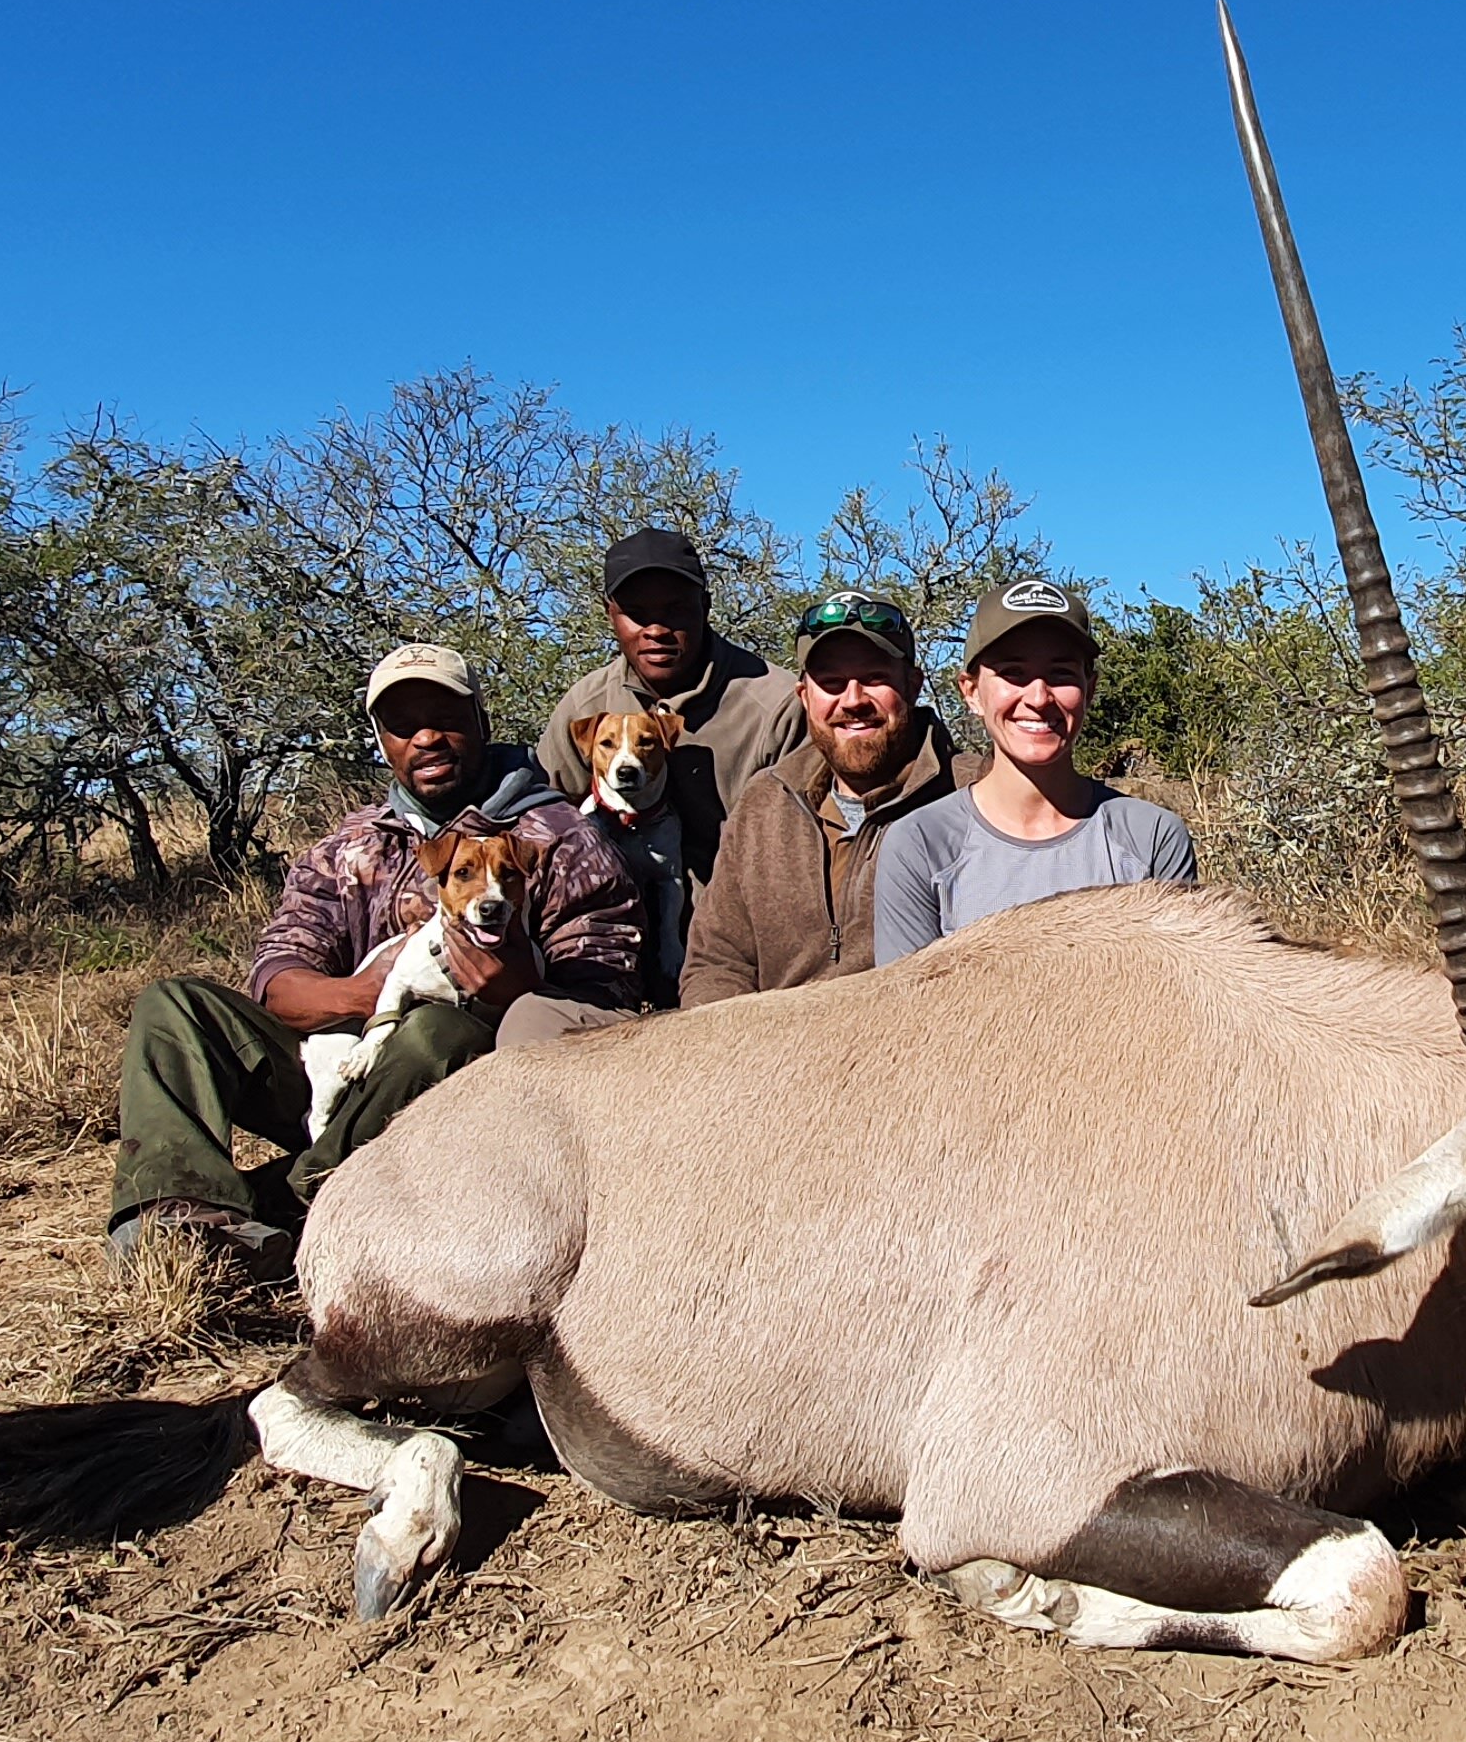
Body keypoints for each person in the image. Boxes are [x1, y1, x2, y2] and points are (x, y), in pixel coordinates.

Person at [108, 643, 644, 1278]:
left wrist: (518, 991)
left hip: (462, 1093)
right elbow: (278, 976)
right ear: (380, 740)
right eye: (402, 725)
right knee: (175, 1005)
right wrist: (374, 995)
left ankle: (298, 1208)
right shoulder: (350, 844)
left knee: (437, 1032)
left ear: (481, 723)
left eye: (444, 718)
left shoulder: (559, 837)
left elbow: (608, 994)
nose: (426, 739)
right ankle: (174, 1210)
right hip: (340, 1063)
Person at [538, 526, 802, 1001]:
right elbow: (543, 820)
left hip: (739, 951)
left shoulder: (775, 702)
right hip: (602, 949)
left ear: (705, 605)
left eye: (675, 610)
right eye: (637, 614)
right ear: (611, 616)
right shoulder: (585, 705)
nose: (656, 630)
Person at [874, 576, 1196, 961]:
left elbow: (1178, 1001)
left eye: (1060, 674)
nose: (1039, 698)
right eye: (1014, 673)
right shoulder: (919, 844)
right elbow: (906, 1012)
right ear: (971, 692)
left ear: (1089, 691)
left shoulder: (1151, 837)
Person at [682, 590, 979, 1003]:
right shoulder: (764, 801)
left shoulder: (974, 793)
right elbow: (716, 962)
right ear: (804, 697)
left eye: (874, 678)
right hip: (771, 1052)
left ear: (912, 686)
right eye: (832, 683)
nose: (853, 700)